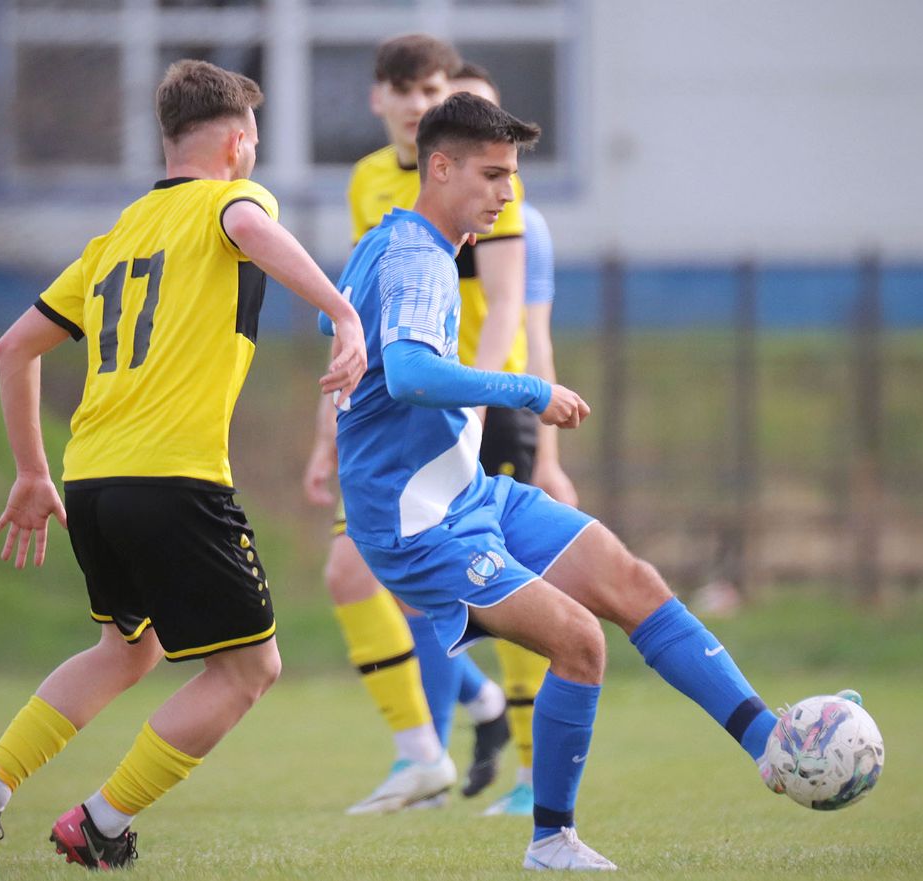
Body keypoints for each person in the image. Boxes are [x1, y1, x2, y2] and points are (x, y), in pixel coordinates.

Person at [323, 91, 808, 871]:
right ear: (439, 167)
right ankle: (551, 840)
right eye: (492, 174)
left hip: (464, 493)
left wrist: (354, 352)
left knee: (631, 581)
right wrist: (529, 390)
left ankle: (771, 743)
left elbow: (338, 321)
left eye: (512, 175)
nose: (507, 192)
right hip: (418, 522)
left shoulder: (393, 240)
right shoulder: (418, 258)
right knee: (580, 641)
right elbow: (410, 372)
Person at [0, 59, 366, 871]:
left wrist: (31, 471)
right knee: (250, 669)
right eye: (255, 144)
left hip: (92, 478)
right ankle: (99, 821)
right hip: (174, 477)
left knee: (128, 648)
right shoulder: (233, 200)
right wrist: (343, 312)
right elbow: (249, 229)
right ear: (236, 145)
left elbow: (14, 346)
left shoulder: (117, 235)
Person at [302, 33, 520, 813]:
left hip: (462, 403)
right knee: (371, 579)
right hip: (388, 409)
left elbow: (507, 300)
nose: (417, 104)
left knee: (480, 580)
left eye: (431, 90)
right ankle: (450, 733)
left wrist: (486, 401)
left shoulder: (484, 175)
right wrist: (326, 427)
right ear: (380, 99)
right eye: (405, 91)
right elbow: (351, 316)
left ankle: (497, 763)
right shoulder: (370, 182)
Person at [449, 61, 580, 818]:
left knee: (510, 583)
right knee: (422, 584)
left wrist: (550, 459)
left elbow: (534, 334)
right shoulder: (409, 203)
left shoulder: (522, 222)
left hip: (497, 412)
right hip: (438, 409)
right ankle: (483, 709)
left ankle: (532, 774)